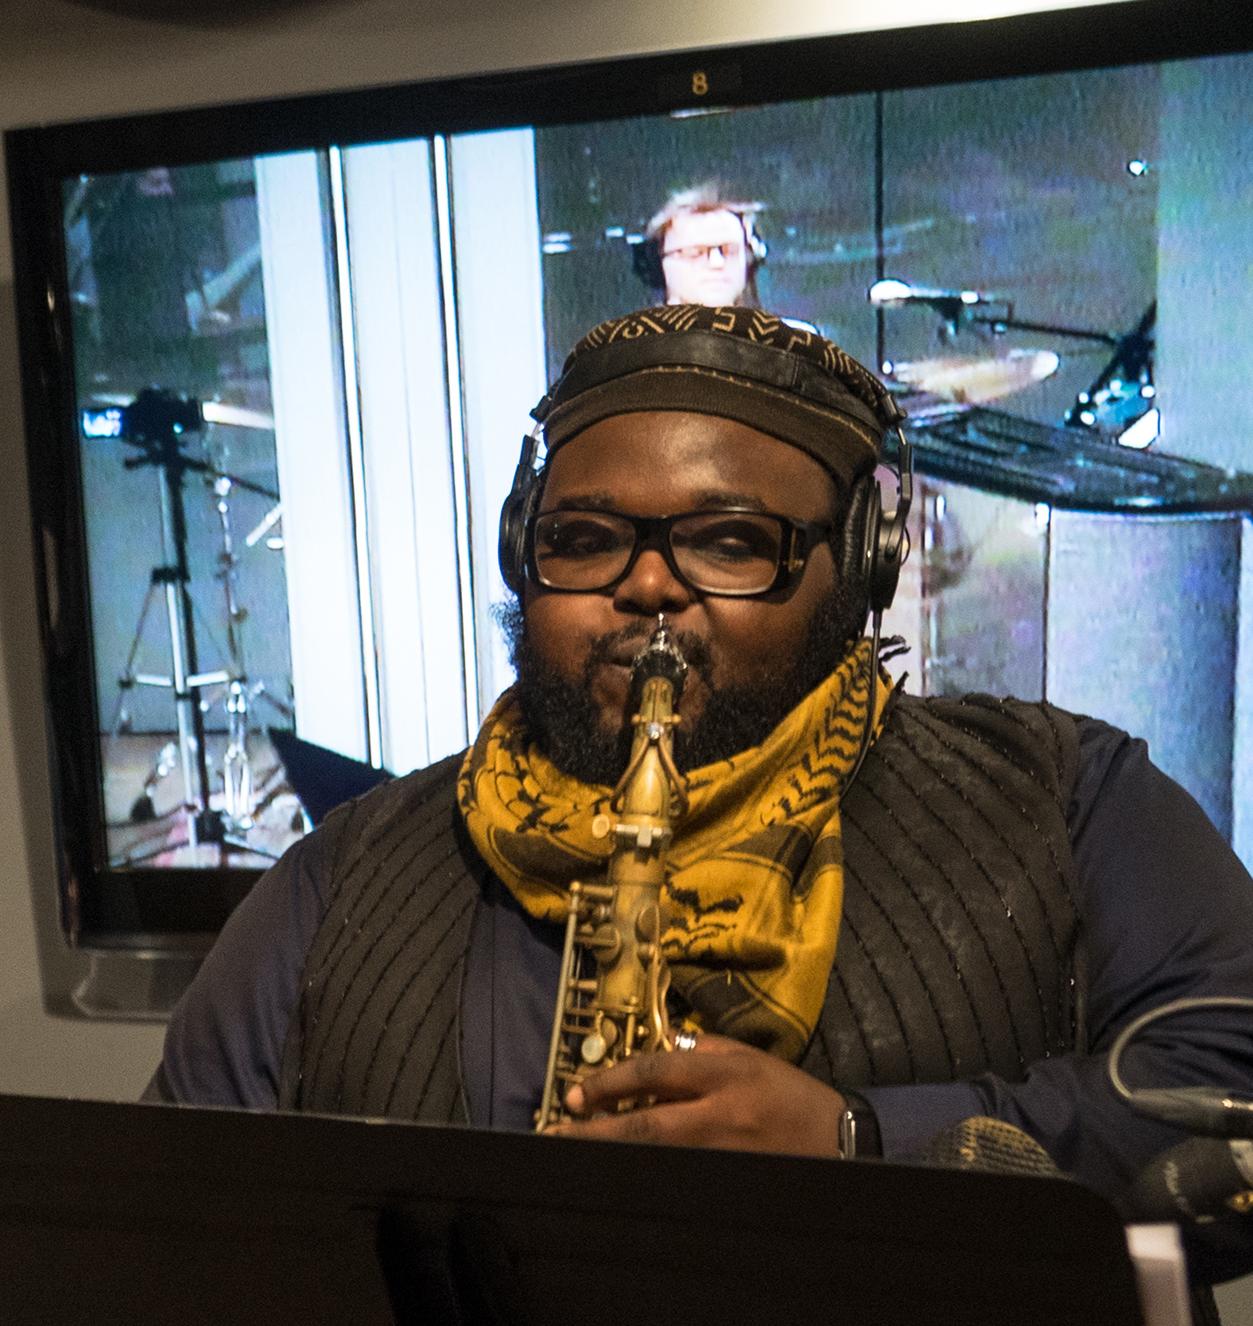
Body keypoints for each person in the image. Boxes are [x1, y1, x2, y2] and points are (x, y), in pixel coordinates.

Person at [148, 304, 1253, 1274]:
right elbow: (170, 1218)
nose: (643, 585)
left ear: (859, 566)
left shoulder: (1068, 795)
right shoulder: (341, 875)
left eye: (728, 542)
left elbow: (1228, 1101)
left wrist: (864, 1145)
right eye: (582, 540)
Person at [632, 184, 767, 308]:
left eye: (730, 251)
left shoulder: (777, 333)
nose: (717, 263)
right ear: (658, 264)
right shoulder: (633, 334)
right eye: (694, 253)